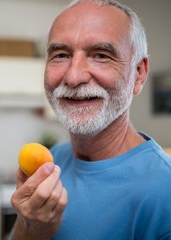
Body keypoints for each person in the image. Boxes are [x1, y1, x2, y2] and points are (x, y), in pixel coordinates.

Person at [10, 0, 171, 239]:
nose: (73, 77)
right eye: (61, 55)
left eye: (101, 55)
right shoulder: (53, 160)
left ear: (139, 73)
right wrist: (29, 229)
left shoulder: (164, 193)